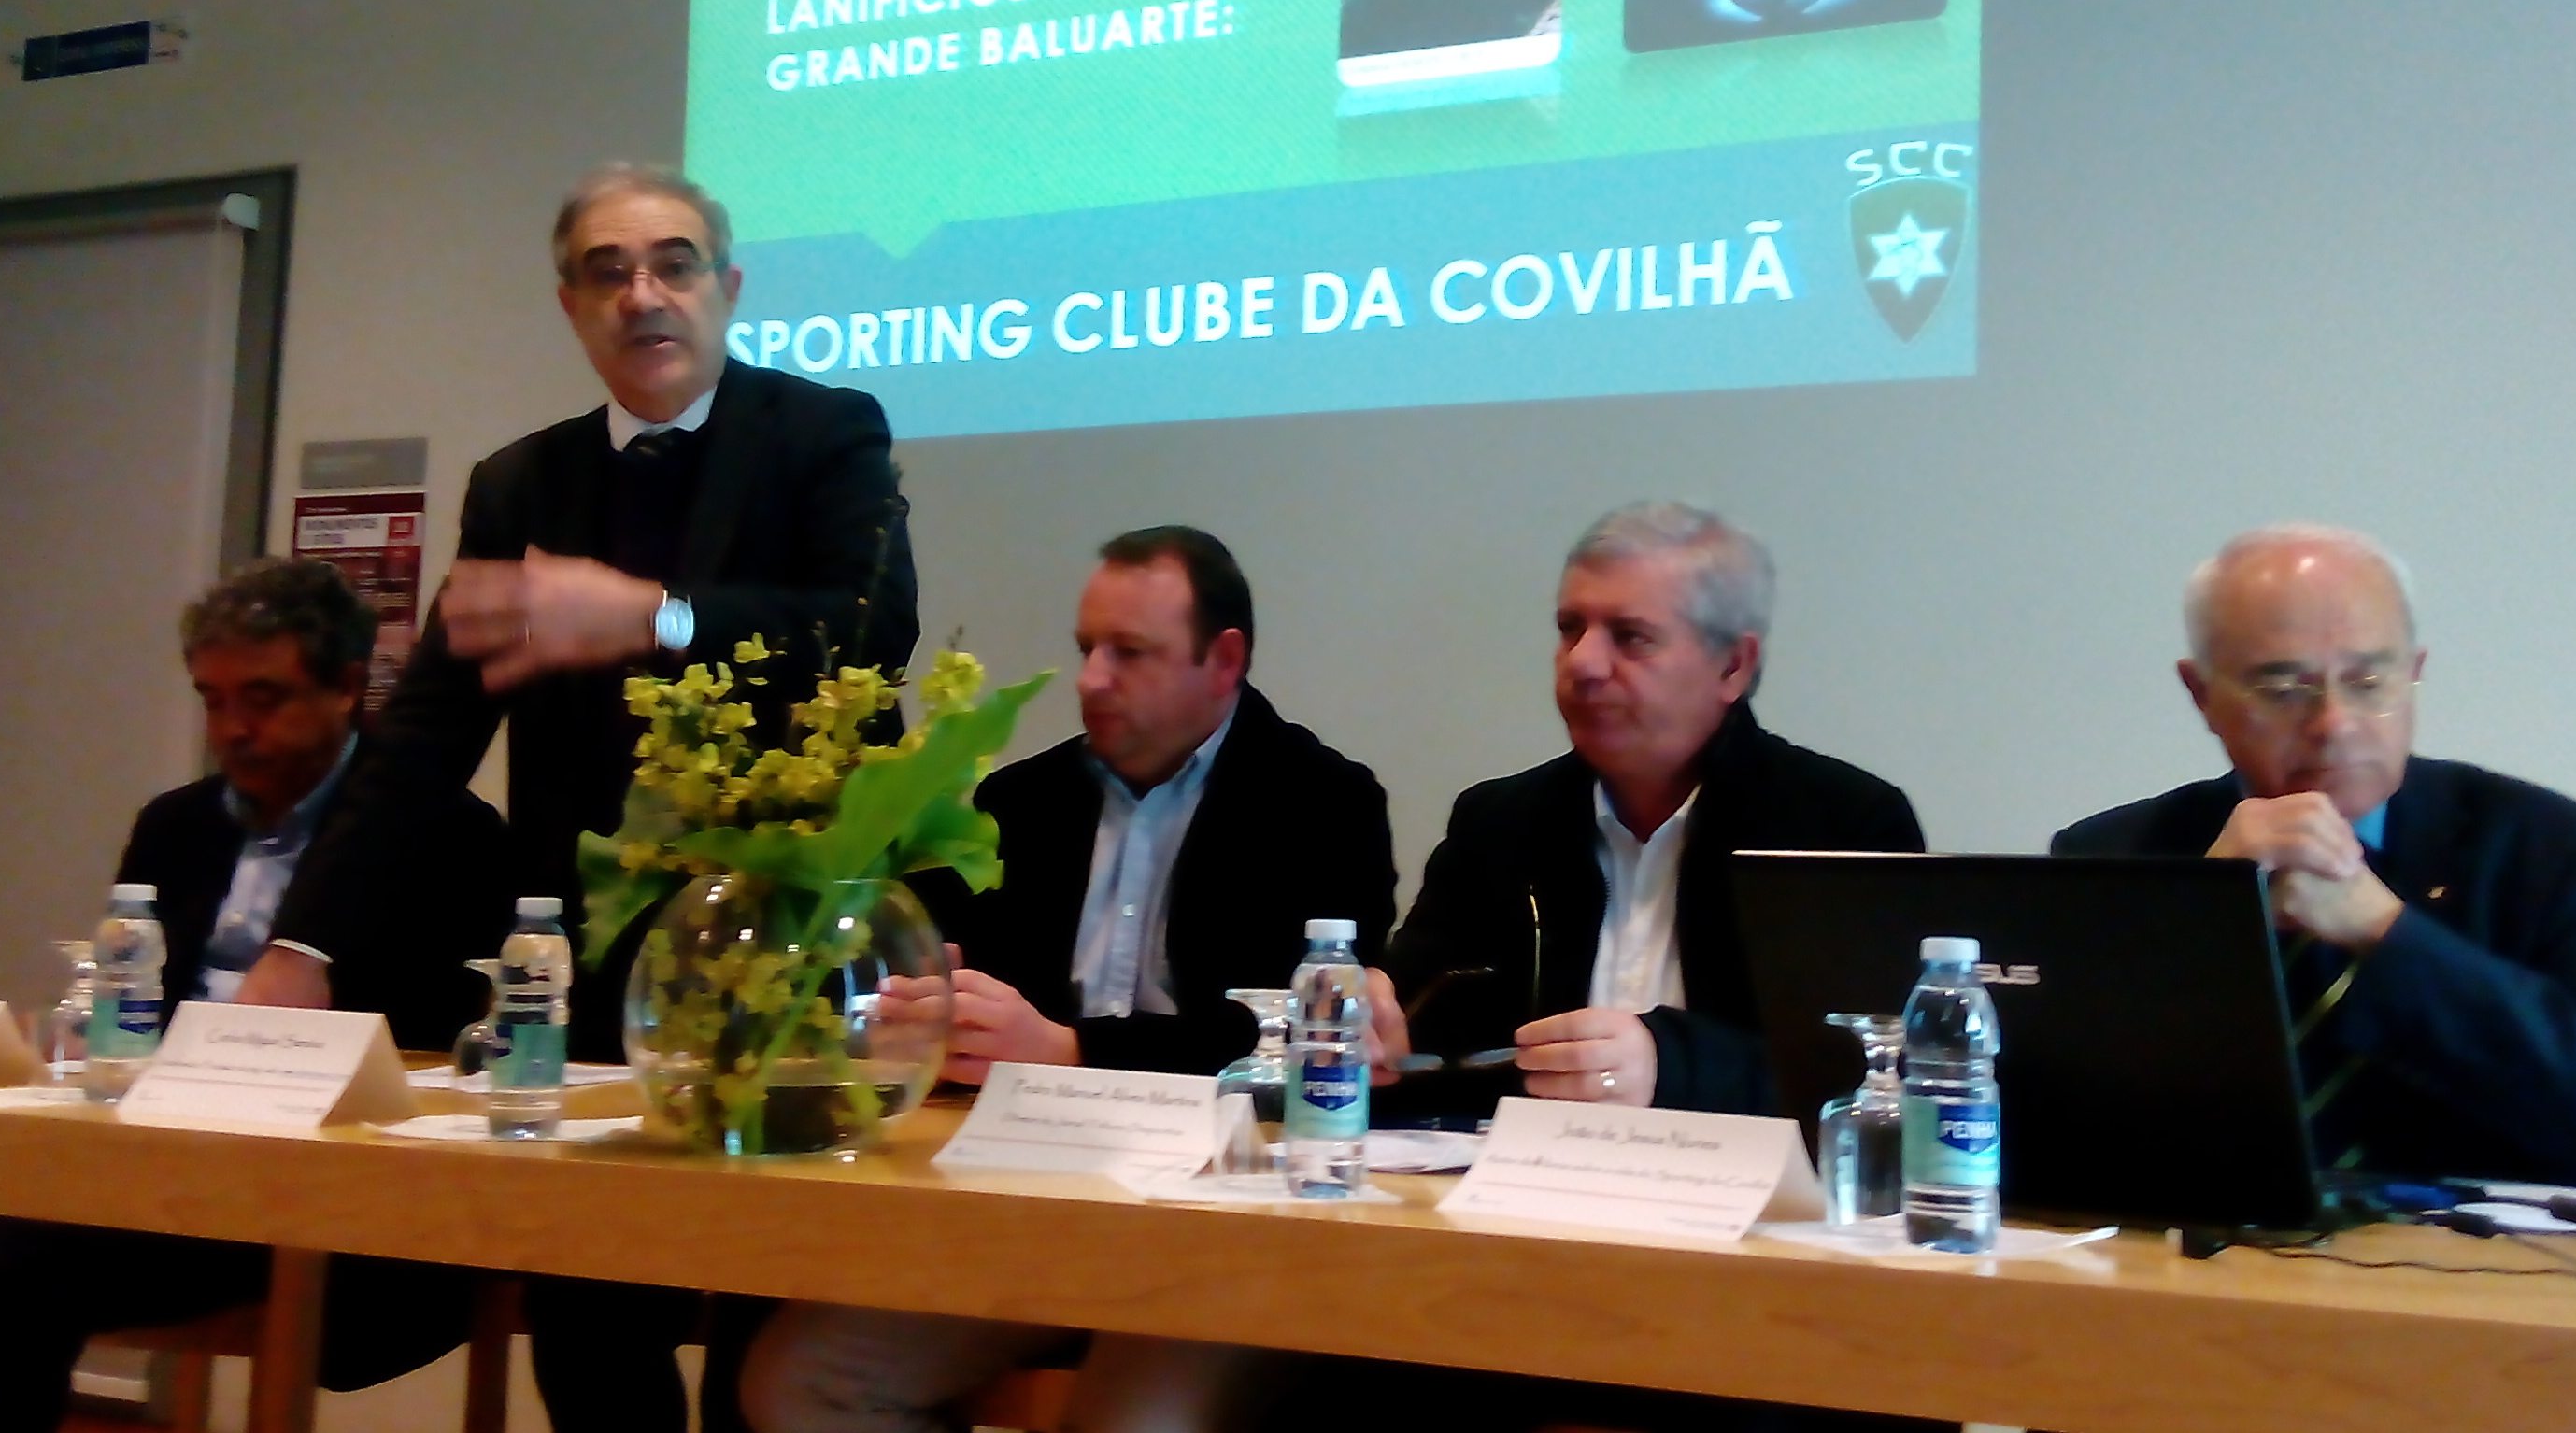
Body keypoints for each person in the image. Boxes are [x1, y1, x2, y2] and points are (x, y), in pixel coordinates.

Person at [234, 163, 919, 1433]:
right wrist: (303, 943)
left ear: (729, 288)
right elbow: (427, 736)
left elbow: (871, 631)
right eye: (607, 272)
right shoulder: (520, 487)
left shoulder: (821, 433)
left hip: (783, 958)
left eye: (672, 263)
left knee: (760, 1343)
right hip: (590, 969)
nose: (642, 294)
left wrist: (650, 616)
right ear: (568, 304)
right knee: (591, 1329)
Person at [739, 526, 1395, 1433]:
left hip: (1226, 1225)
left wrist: (1068, 1049)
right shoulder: (1021, 803)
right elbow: (938, 983)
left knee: (1130, 1421)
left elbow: (1294, 1044)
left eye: (1130, 653)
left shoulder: (1322, 801)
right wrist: (920, 1016)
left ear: (1224, 659)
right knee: (795, 1384)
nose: (1090, 680)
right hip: (1025, 1205)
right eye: (1087, 649)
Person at [0, 560, 505, 1433]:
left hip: (330, 1186)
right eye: (213, 701)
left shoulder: (444, 832)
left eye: (262, 697)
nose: (233, 729)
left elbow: (447, 1051)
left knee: (2, 1251)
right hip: (165, 1162)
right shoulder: (175, 826)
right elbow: (130, 1005)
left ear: (343, 688)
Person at [2052, 524, 2576, 1192]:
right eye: (2284, 689)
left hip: (2470, 1284)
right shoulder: (2115, 861)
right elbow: (2034, 1137)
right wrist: (2196, 922)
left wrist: (2389, 934)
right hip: (2199, 1281)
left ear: (2412, 675)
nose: (2334, 722)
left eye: (2366, 682)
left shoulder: (2544, 851)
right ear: (2202, 695)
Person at [1374, 502, 1927, 1119]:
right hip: (1521, 1198)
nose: (1582, 663)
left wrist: (1677, 1067)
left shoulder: (1841, 827)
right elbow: (1429, 1043)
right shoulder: (1499, 825)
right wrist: (1378, 1033)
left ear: (1732, 664)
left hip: (1752, 1206)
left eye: (1630, 636)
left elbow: (1876, 1077)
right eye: (1569, 628)